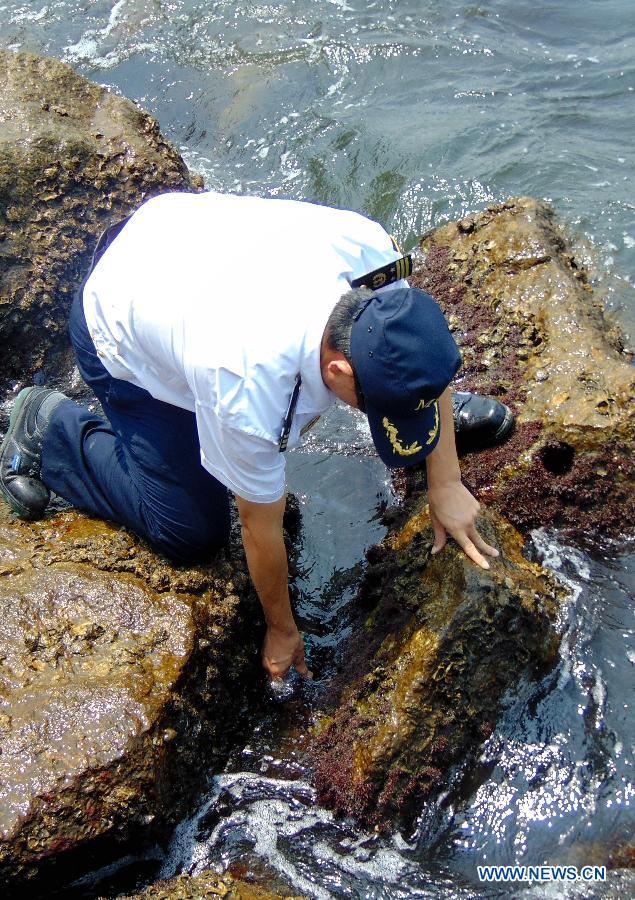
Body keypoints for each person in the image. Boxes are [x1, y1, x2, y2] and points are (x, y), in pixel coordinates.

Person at [0, 191, 513, 681]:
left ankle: (400, 401)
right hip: (117, 314)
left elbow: (415, 333)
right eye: (378, 405)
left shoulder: (370, 254)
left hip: (179, 246)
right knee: (189, 532)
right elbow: (257, 524)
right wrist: (282, 630)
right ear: (337, 371)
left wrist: (446, 481)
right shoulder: (245, 387)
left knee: (294, 420)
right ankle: (51, 426)